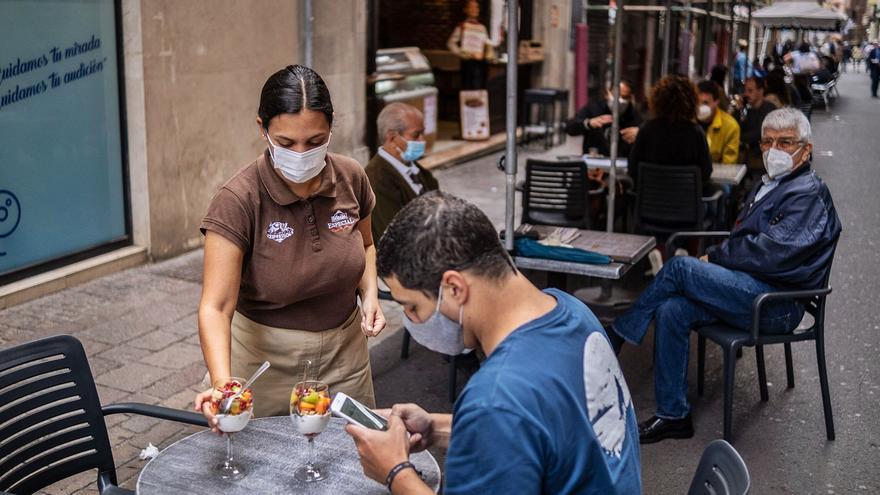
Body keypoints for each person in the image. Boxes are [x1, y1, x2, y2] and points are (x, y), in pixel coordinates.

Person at [345, 192, 642, 494]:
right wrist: (435, 427)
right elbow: (546, 429)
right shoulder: (572, 310)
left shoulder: (495, 399)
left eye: (412, 307)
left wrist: (396, 472)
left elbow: (503, 415)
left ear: (454, 288)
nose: (412, 320)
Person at [609, 108, 841, 443]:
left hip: (775, 303)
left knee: (678, 267)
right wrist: (722, 260)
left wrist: (715, 258)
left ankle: (618, 334)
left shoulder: (807, 192)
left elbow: (772, 252)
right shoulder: (773, 185)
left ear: (806, 149)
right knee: (671, 310)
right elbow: (746, 241)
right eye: (768, 141)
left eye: (786, 142)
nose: (774, 149)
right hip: (749, 290)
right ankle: (673, 415)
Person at [194, 65, 386, 425]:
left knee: (352, 459)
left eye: (314, 141)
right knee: (259, 468)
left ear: (330, 129)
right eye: (286, 143)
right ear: (262, 129)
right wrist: (223, 383)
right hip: (264, 364)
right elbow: (216, 307)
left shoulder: (351, 178)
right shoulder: (237, 200)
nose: (301, 154)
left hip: (346, 357)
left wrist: (370, 293)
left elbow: (366, 245)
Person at [365, 103, 439, 241]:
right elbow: (393, 236)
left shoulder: (417, 170)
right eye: (416, 135)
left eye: (423, 133)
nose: (422, 140)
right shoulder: (376, 180)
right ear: (392, 138)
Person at [628, 74, 712, 193]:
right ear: (692, 102)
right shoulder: (696, 133)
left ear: (657, 101)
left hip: (649, 204)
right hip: (685, 206)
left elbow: (632, 169)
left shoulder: (647, 130)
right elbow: (706, 172)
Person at [565, 80, 643, 157]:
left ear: (631, 98)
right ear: (607, 94)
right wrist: (589, 123)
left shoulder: (635, 115)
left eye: (624, 97)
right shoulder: (594, 108)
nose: (620, 101)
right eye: (616, 95)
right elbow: (570, 127)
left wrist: (639, 133)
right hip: (595, 163)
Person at [447, 0, 494, 90]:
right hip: (468, 64)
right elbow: (450, 43)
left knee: (480, 89)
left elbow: (487, 43)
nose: (474, 9)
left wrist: (489, 53)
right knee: (468, 89)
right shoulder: (462, 26)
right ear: (465, 10)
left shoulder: (482, 27)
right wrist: (462, 53)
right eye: (471, 7)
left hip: (481, 64)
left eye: (476, 7)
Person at [735, 77, 777, 176]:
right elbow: (735, 128)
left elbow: (758, 134)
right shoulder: (748, 110)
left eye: (750, 91)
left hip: (763, 159)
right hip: (747, 155)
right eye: (745, 91)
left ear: (761, 91)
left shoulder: (768, 109)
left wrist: (738, 138)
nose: (746, 94)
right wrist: (739, 110)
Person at [697, 81, 740, 164]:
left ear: (716, 102)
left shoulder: (730, 126)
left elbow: (728, 164)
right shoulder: (687, 121)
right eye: (697, 102)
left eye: (705, 103)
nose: (700, 107)